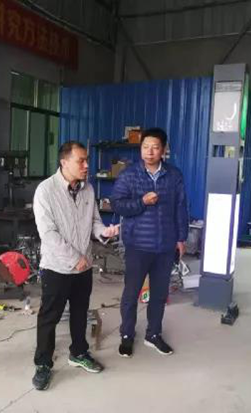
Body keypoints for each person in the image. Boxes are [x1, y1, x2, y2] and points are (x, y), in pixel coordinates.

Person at [32, 141, 120, 391]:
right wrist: (74, 258)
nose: (86, 165)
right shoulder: (45, 191)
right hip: (57, 267)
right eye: (81, 160)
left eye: (87, 160)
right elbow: (48, 233)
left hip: (84, 267)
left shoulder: (88, 189)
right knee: (49, 317)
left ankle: (78, 352)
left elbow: (94, 222)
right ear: (64, 162)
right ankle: (43, 363)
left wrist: (104, 232)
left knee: (80, 312)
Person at [111, 128, 189, 358]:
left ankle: (153, 334)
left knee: (159, 295)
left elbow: (181, 208)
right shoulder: (129, 175)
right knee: (131, 294)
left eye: (155, 147)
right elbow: (117, 204)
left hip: (165, 245)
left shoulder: (174, 175)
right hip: (137, 244)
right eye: (145, 147)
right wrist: (142, 202)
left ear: (163, 150)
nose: (150, 152)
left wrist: (181, 238)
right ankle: (127, 335)